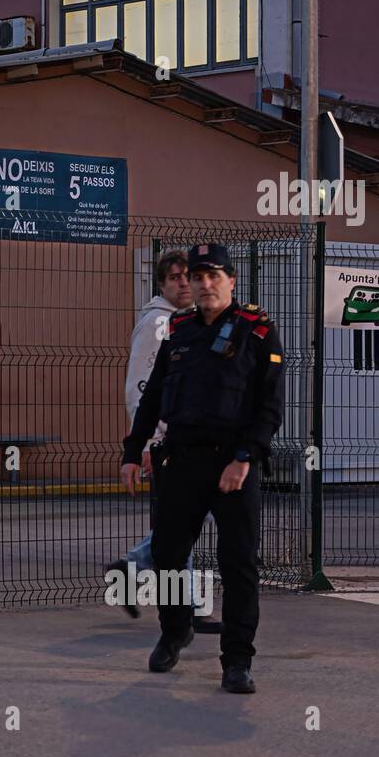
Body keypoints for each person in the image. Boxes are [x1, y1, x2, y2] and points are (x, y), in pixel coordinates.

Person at [119, 243, 284, 695]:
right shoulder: (179, 328)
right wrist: (133, 450)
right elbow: (154, 395)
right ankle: (175, 630)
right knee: (169, 555)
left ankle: (237, 661)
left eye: (214, 275)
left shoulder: (258, 329)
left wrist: (245, 458)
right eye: (198, 276)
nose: (205, 284)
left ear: (231, 280)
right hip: (182, 461)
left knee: (239, 565)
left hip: (234, 466)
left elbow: (270, 408)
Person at [108, 250, 220, 634]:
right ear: (161, 284)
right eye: (175, 277)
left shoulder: (185, 322)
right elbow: (141, 389)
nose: (184, 282)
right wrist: (147, 444)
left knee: (185, 519)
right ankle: (138, 568)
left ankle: (165, 591)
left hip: (188, 440)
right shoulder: (157, 325)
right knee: (185, 517)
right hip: (167, 443)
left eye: (188, 276)